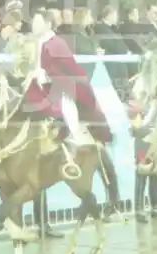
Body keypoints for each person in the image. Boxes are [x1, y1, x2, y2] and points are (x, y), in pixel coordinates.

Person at [23, 8, 113, 149]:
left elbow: (63, 71)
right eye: (33, 22)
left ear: (48, 24)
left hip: (61, 85)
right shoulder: (34, 43)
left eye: (38, 22)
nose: (34, 25)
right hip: (41, 84)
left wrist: (39, 74)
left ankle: (74, 132)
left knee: (65, 100)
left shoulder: (56, 43)